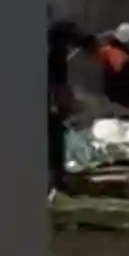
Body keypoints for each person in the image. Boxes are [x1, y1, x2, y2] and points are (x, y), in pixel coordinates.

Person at [47, 13, 97, 199]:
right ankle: (55, 181)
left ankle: (56, 180)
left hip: (53, 88)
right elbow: (70, 31)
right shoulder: (54, 28)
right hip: (52, 89)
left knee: (54, 133)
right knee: (53, 134)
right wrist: (91, 44)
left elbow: (71, 31)